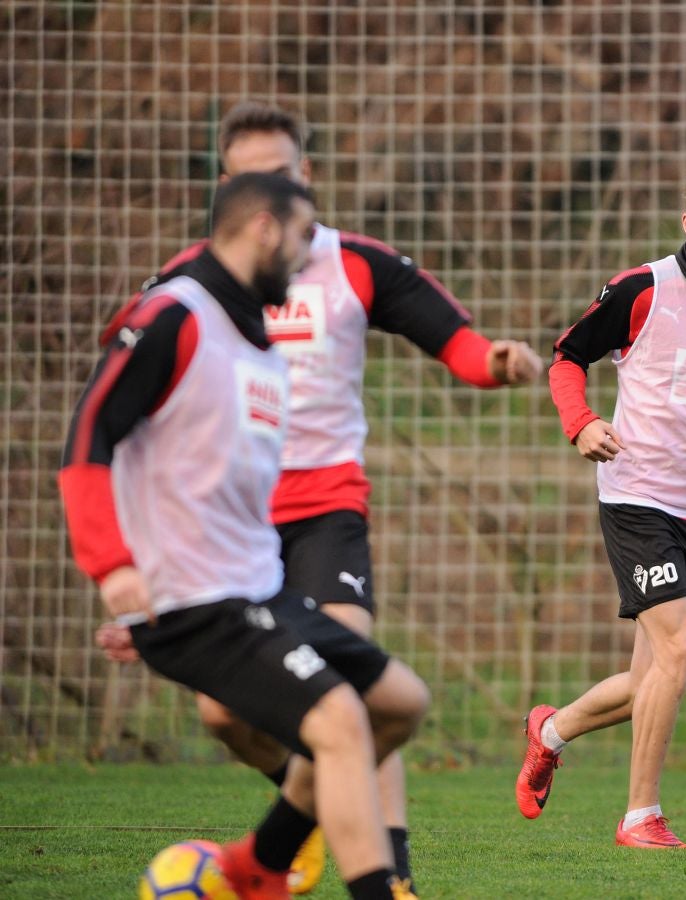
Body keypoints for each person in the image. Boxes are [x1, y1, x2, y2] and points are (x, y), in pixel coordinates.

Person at [95, 101, 543, 896]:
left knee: (361, 691)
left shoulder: (354, 263)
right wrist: (133, 572)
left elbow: (449, 334)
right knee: (225, 719)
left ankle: (389, 875)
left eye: (285, 172)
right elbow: (121, 439)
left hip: (326, 508)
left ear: (307, 175)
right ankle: (293, 834)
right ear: (230, 190)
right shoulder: (184, 292)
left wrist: (491, 361)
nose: (275, 191)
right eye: (253, 177)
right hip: (221, 537)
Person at [60, 172, 427, 900]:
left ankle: (260, 865)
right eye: (299, 238)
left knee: (399, 703)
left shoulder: (256, 341)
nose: (304, 256)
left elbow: (206, 487)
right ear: (263, 228)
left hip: (256, 590)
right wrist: (117, 571)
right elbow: (87, 442)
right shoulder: (173, 315)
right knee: (339, 720)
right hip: (197, 600)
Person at [515, 159, 686, 848]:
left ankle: (549, 730)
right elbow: (566, 357)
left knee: (653, 676)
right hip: (637, 496)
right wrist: (580, 423)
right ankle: (641, 816)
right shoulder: (643, 289)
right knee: (680, 648)